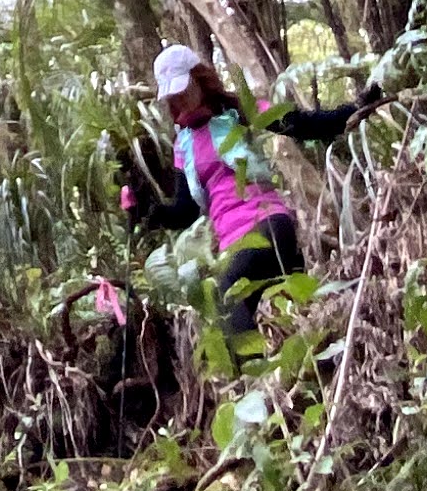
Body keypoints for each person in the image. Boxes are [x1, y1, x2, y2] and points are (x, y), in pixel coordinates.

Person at [127, 41, 379, 346]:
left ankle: (256, 383)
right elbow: (185, 211)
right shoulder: (184, 145)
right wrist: (146, 210)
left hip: (267, 224)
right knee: (285, 327)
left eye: (183, 87)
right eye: (172, 94)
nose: (179, 98)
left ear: (200, 78)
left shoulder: (240, 111)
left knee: (227, 294)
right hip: (233, 245)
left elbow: (301, 124)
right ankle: (284, 386)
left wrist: (356, 109)